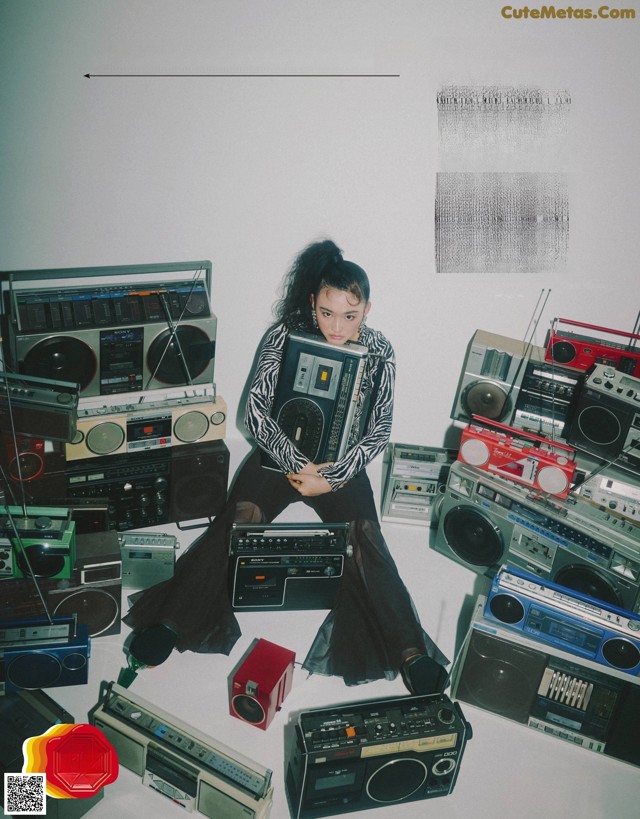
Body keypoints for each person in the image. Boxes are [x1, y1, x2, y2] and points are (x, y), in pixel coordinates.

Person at [123, 239, 448, 694]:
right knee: (233, 526)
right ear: (313, 301)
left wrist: (330, 477)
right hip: (278, 459)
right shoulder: (285, 334)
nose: (337, 326)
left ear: (368, 309)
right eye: (327, 312)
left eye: (350, 316)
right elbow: (255, 411)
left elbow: (380, 427)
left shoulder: (381, 350)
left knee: (367, 542)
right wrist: (298, 466)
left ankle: (410, 653)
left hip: (341, 468)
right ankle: (172, 624)